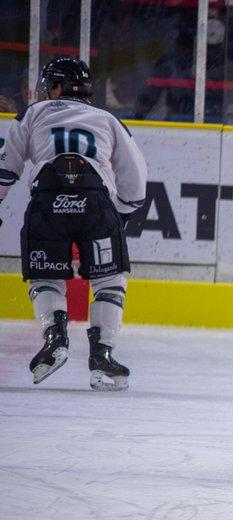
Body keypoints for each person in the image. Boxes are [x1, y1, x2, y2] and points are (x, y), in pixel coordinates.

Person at [0, 57, 147, 391]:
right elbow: (135, 180)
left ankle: (55, 338)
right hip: (96, 202)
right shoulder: (107, 119)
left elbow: (6, 169)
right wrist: (119, 215)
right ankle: (103, 356)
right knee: (109, 280)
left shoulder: (33, 114)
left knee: (45, 276)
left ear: (56, 87)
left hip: (47, 200)